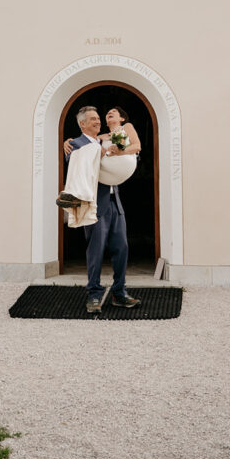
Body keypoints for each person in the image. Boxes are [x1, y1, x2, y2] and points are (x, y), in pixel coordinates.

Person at [58, 105, 141, 314]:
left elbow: (129, 153)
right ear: (82, 124)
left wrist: (116, 149)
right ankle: (94, 296)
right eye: (93, 119)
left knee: (121, 248)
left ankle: (119, 293)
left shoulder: (105, 139)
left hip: (116, 202)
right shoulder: (76, 144)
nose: (97, 121)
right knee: (96, 251)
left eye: (98, 118)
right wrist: (68, 143)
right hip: (95, 204)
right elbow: (75, 163)